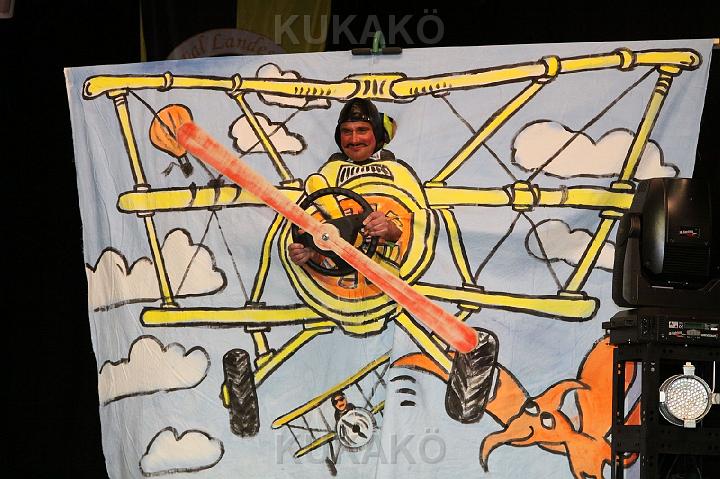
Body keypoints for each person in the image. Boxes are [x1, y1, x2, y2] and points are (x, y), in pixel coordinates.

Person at [288, 98, 402, 267]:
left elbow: (417, 230)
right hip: (339, 280)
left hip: (389, 275)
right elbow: (317, 233)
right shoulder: (327, 173)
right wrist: (311, 252)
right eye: (347, 131)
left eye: (362, 130)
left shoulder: (397, 172)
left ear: (377, 133)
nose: (354, 139)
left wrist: (391, 230)